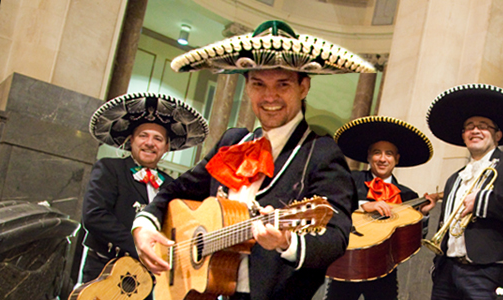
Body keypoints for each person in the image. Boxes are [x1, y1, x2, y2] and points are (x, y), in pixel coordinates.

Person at [130, 20, 375, 300]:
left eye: (282, 84)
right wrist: (144, 225)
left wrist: (287, 241)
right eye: (259, 84)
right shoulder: (234, 141)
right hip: (204, 289)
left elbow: (336, 235)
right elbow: (176, 190)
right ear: (247, 87)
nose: (270, 96)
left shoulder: (320, 152)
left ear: (303, 87)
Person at [78, 92, 209, 295]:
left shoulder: (173, 186)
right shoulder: (109, 169)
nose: (150, 143)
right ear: (131, 140)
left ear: (166, 147)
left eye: (158, 139)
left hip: (152, 282)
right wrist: (142, 246)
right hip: (106, 273)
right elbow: (94, 216)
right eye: (143, 136)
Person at [424, 83, 503, 299]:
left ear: (498, 135)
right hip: (447, 272)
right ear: (463, 136)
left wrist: (484, 202)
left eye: (484, 126)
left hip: (492, 272)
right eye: (469, 127)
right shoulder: (454, 178)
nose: (475, 130)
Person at [325, 115, 437, 300]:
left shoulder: (408, 195)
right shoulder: (350, 180)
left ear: (397, 159)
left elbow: (412, 240)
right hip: (348, 266)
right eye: (377, 152)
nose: (383, 159)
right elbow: (330, 208)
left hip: (384, 269)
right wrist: (364, 206)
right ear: (369, 156)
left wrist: (423, 216)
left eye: (389, 153)